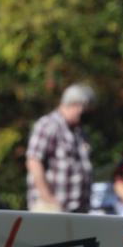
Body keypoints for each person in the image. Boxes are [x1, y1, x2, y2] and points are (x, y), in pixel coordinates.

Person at [25, 83, 95, 213]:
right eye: (85, 108)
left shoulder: (79, 132)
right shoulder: (48, 125)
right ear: (76, 104)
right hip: (51, 209)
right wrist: (48, 198)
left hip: (77, 211)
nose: (85, 114)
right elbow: (33, 161)